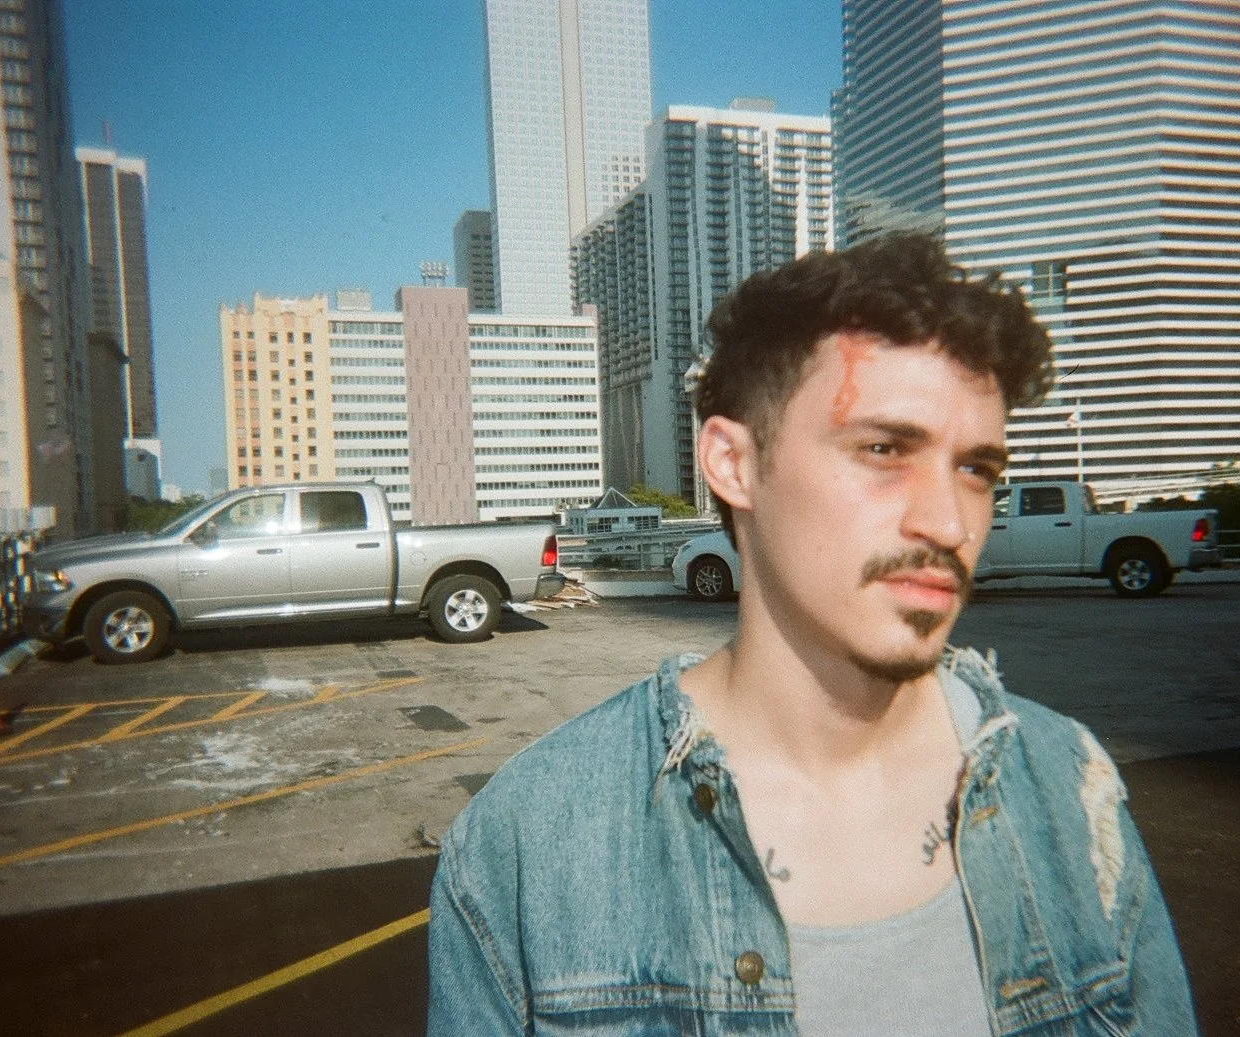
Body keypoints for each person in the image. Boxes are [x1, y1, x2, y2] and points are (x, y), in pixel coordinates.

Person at [427, 232, 1198, 1035]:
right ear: (731, 462)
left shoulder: (1071, 793)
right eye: (882, 448)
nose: (947, 520)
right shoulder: (530, 842)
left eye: (975, 469)